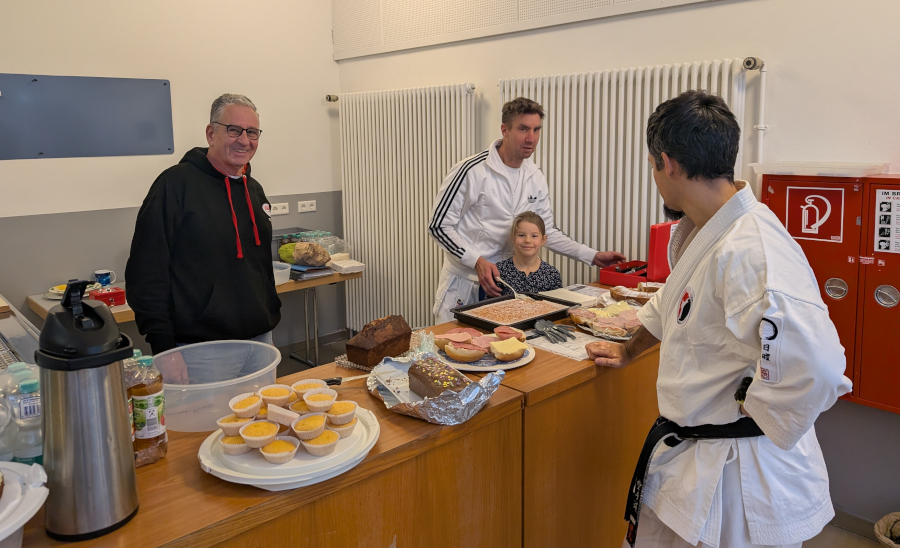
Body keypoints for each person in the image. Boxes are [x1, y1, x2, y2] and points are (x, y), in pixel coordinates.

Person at [586, 90, 852, 548]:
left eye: (652, 166)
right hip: (699, 458)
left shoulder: (751, 249)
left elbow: (821, 368)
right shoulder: (710, 230)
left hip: (737, 476)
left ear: (666, 163)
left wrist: (756, 408)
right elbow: (671, 303)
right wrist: (628, 350)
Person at [125, 94, 281, 380]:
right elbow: (146, 271)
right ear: (211, 133)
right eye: (233, 130)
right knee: (207, 414)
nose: (244, 140)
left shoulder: (254, 190)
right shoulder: (174, 185)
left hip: (260, 342)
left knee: (264, 411)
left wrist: (267, 317)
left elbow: (258, 267)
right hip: (202, 350)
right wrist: (163, 348)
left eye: (252, 132)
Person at [429, 97, 625, 322]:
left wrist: (593, 256)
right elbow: (438, 226)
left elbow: (547, 231)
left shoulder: (534, 176)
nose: (531, 138)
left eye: (536, 130)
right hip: (466, 284)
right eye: (523, 129)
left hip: (506, 288)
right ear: (505, 130)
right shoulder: (472, 170)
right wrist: (477, 261)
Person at [480, 211, 562, 299]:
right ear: (513, 237)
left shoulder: (552, 274)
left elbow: (558, 305)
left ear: (543, 240)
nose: (527, 240)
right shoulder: (499, 271)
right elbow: (490, 305)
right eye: (521, 235)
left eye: (534, 236)